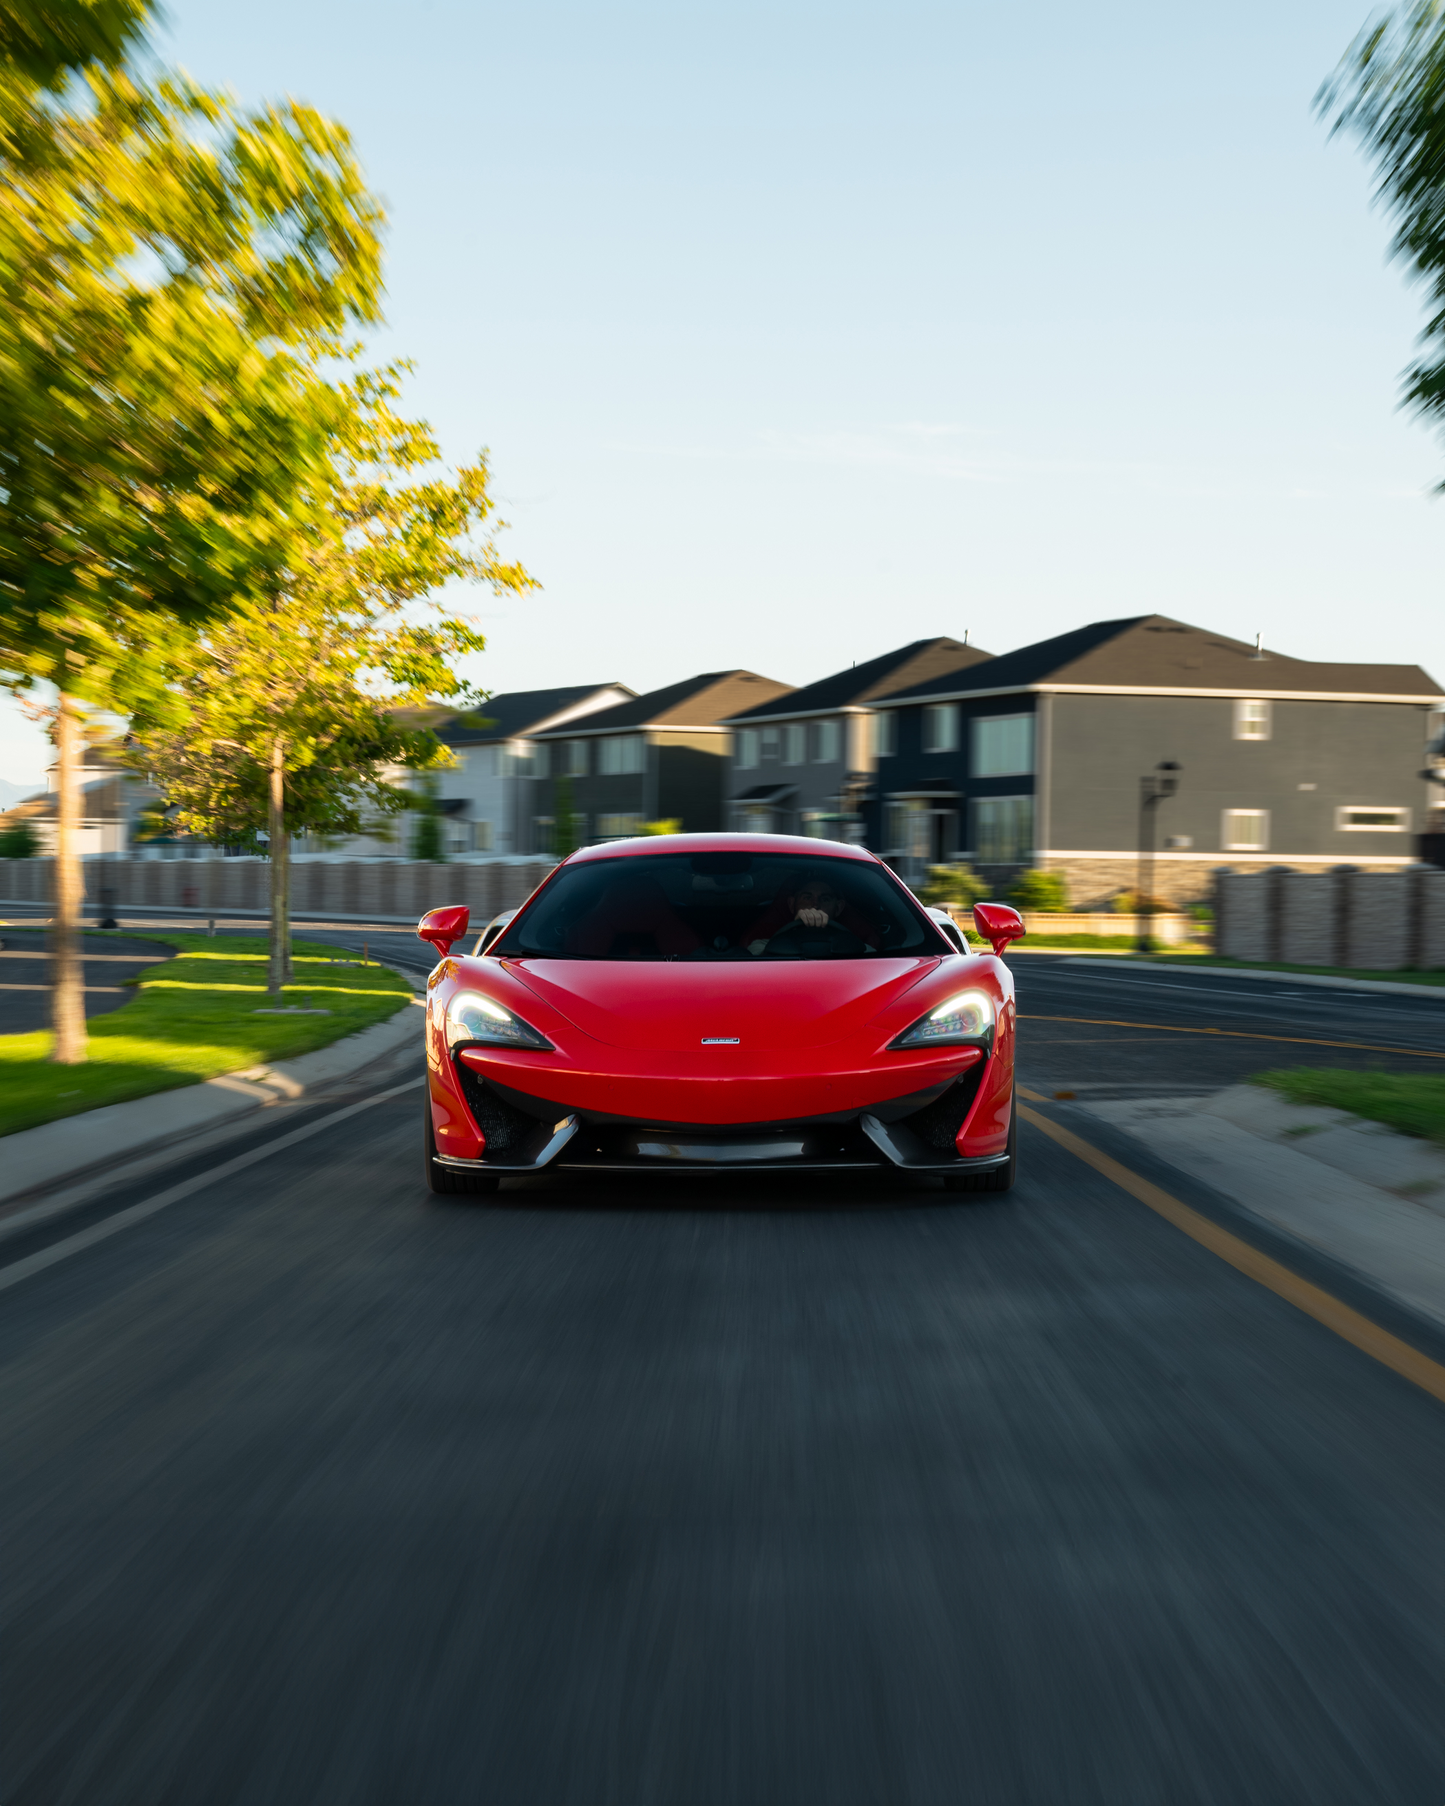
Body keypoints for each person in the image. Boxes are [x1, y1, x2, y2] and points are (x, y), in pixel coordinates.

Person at [741, 872, 881, 954]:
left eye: (825, 899)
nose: (815, 905)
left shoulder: (857, 949)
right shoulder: (763, 946)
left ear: (838, 908)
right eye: (807, 898)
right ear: (791, 904)